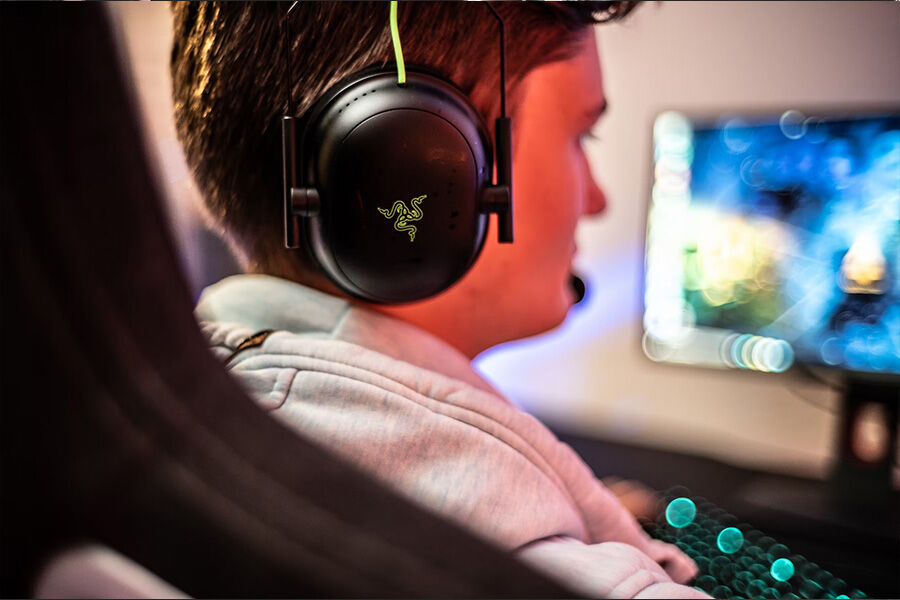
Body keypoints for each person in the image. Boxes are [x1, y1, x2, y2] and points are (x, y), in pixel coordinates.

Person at [171, 3, 707, 598]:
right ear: (412, 167)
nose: (599, 198)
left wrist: (586, 511)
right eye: (581, 134)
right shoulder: (518, 569)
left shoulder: (212, 409)